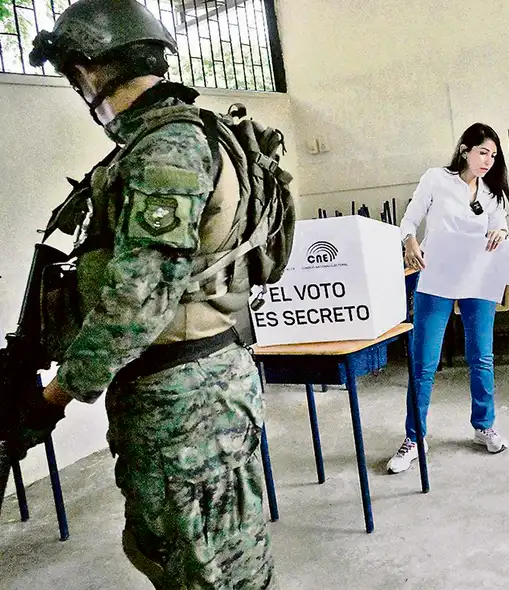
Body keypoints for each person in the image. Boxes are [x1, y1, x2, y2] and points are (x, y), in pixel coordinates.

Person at [27, 1, 276, 587]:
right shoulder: (176, 136)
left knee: (202, 567)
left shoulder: (166, 149)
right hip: (205, 383)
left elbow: (138, 300)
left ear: (91, 70)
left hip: (182, 401)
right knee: (223, 554)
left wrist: (57, 394)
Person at [386, 123, 509, 474]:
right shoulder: (436, 179)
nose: (488, 160)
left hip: (477, 277)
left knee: (481, 356)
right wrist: (409, 240)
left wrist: (500, 231)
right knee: (424, 361)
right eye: (482, 152)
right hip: (436, 275)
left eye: (493, 154)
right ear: (464, 150)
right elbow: (409, 219)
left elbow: (500, 223)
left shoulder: (491, 190)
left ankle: (483, 426)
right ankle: (414, 437)